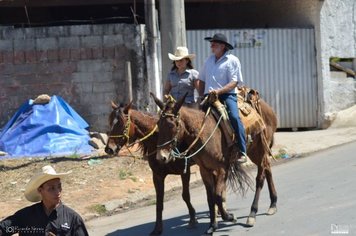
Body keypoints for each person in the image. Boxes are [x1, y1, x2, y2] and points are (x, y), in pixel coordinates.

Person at [198, 33, 247, 163]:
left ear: (222, 46)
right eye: (211, 43)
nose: (211, 46)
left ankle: (242, 151)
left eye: (214, 44)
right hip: (209, 96)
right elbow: (201, 79)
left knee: (234, 118)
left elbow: (234, 82)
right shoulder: (208, 60)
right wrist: (201, 94)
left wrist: (219, 91)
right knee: (194, 119)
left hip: (227, 95)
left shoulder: (232, 60)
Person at [0, 165, 89, 236]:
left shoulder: (73, 219)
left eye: (59, 186)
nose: (58, 192)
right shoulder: (25, 216)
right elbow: (4, 229)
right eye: (51, 188)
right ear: (40, 190)